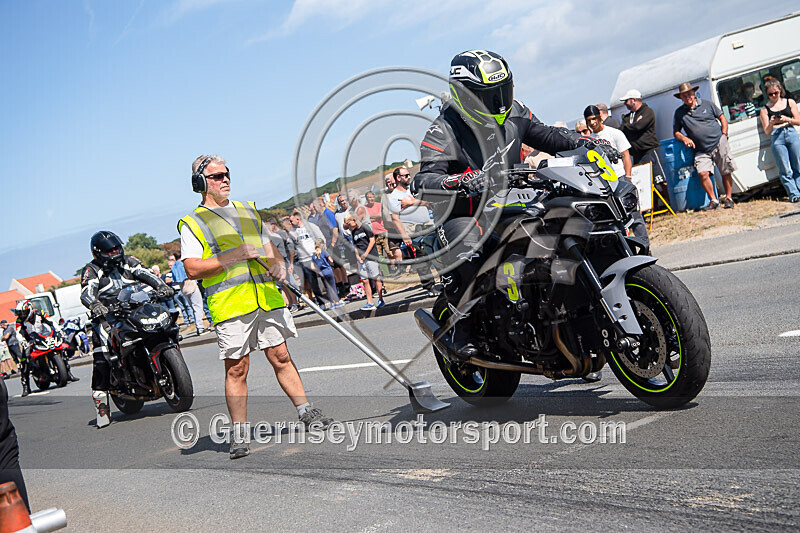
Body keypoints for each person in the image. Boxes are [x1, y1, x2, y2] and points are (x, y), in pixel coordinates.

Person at [414, 49, 620, 359]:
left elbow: (550, 136)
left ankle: (571, 323)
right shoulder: (443, 130)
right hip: (465, 213)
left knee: (565, 223)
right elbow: (423, 180)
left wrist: (588, 143)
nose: (499, 100)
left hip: (513, 200)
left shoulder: (516, 112)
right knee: (469, 249)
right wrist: (458, 182)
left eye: (503, 90)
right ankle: (461, 328)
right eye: (489, 94)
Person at [179, 154, 332, 459]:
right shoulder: (193, 222)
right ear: (200, 183)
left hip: (266, 297)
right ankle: (238, 435)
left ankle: (306, 411)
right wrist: (233, 255)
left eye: (227, 174)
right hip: (232, 306)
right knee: (237, 369)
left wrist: (277, 266)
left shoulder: (248, 210)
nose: (225, 180)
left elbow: (267, 246)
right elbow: (192, 269)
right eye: (217, 176)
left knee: (281, 356)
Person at [79, 231, 171, 427]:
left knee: (164, 324)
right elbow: (86, 291)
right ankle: (102, 406)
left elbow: (145, 273)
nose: (115, 253)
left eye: (116, 248)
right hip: (108, 316)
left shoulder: (129, 261)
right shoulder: (92, 269)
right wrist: (95, 305)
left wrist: (161, 286)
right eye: (109, 251)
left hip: (135, 307)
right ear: (98, 253)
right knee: (102, 356)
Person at [585, 105, 650, 247]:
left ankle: (645, 245)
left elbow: (625, 155)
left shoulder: (614, 133)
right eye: (588, 120)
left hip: (619, 177)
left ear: (600, 118)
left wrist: (628, 176)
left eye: (594, 119)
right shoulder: (589, 140)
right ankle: (624, 247)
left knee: (634, 215)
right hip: (603, 182)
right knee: (614, 218)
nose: (592, 123)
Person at [673, 82, 736, 210]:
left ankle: (728, 198)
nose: (687, 97)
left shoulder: (707, 104)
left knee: (726, 170)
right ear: (681, 98)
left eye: (689, 94)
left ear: (694, 93)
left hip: (718, 142)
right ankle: (714, 200)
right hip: (700, 149)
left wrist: (724, 134)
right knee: (702, 173)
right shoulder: (680, 113)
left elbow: (722, 117)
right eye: (684, 96)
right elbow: (676, 132)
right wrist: (684, 138)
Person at [388, 167, 438, 297]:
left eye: (409, 175)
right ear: (398, 178)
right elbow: (395, 219)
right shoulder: (394, 197)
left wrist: (421, 203)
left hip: (427, 225)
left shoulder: (413, 189)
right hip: (411, 230)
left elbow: (425, 202)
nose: (409, 177)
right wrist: (404, 236)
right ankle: (430, 286)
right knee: (421, 259)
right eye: (405, 175)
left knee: (437, 252)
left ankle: (445, 281)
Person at [15, 300, 80, 388]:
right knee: (25, 358)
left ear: (29, 310)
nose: (22, 315)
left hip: (44, 337)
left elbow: (51, 322)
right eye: (20, 313)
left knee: (62, 349)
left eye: (23, 313)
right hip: (30, 340)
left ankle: (68, 374)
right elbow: (18, 332)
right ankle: (25, 385)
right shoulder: (19, 320)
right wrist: (23, 341)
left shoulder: (40, 313)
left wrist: (59, 330)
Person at [619, 89, 669, 203]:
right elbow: (623, 129)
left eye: (626, 101)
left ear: (634, 100)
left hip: (650, 151)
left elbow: (639, 126)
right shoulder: (628, 117)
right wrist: (630, 125)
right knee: (646, 183)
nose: (625, 104)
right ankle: (653, 206)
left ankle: (671, 203)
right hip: (637, 154)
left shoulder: (647, 112)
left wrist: (628, 126)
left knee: (661, 179)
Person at [759, 78, 800, 202]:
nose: (773, 96)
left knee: (798, 164)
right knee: (784, 167)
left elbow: (798, 121)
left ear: (780, 90)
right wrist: (772, 123)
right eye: (770, 94)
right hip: (777, 136)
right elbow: (767, 131)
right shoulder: (765, 110)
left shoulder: (790, 102)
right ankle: (793, 194)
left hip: (790, 131)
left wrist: (788, 119)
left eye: (775, 93)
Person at [344, 213, 385, 310]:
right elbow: (355, 245)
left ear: (353, 220)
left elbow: (372, 240)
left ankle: (380, 299)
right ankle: (369, 302)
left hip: (370, 256)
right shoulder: (353, 232)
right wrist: (358, 256)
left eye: (349, 224)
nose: (349, 227)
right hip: (361, 259)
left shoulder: (364, 227)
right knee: (365, 280)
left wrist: (366, 253)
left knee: (376, 278)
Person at [288, 210, 328, 305]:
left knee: (325, 277)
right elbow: (291, 249)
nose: (290, 223)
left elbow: (321, 239)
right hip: (304, 260)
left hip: (316, 256)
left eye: (291, 221)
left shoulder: (310, 226)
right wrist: (291, 263)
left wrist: (322, 253)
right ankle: (321, 302)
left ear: (298, 219)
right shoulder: (292, 232)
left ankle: (332, 298)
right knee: (313, 283)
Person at [171, 249, 206, 335]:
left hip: (182, 287)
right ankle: (200, 327)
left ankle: (198, 325)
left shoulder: (174, 266)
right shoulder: (184, 264)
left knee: (192, 307)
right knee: (197, 306)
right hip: (190, 283)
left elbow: (174, 279)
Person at [311, 239, 344, 309]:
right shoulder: (324, 252)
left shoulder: (313, 255)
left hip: (321, 273)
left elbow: (312, 266)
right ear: (322, 245)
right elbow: (331, 260)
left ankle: (331, 303)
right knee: (333, 286)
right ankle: (337, 302)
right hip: (328, 271)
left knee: (327, 288)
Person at [167, 254, 195, 327]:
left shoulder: (180, 266)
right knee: (182, 308)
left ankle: (192, 319)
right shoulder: (169, 273)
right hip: (176, 292)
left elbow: (176, 279)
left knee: (188, 305)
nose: (170, 263)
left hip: (182, 289)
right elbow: (168, 280)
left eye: (172, 260)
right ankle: (186, 321)